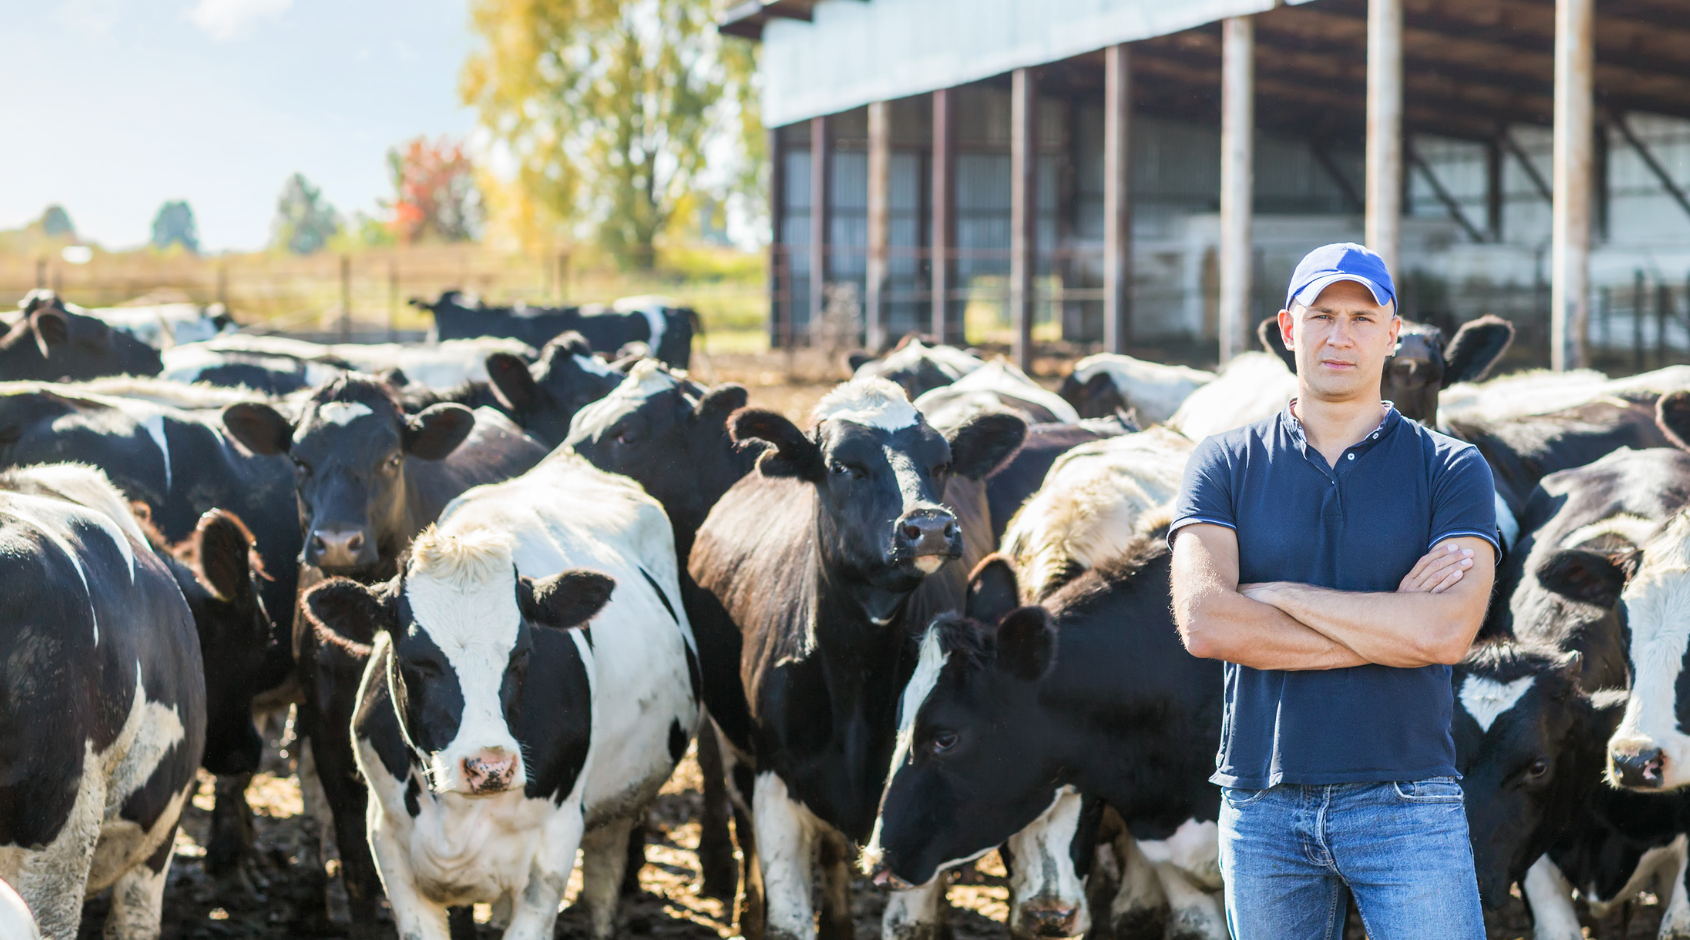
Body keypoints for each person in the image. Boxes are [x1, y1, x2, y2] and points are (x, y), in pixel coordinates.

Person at [1169, 243, 1497, 939]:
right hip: (1262, 801)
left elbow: (1445, 634)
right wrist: (1390, 633)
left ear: (1392, 332)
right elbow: (1206, 623)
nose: (1339, 336)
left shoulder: (1452, 468)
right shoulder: (1223, 462)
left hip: (1408, 797)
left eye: (1360, 317)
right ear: (1289, 330)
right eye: (1321, 316)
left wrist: (1277, 593)